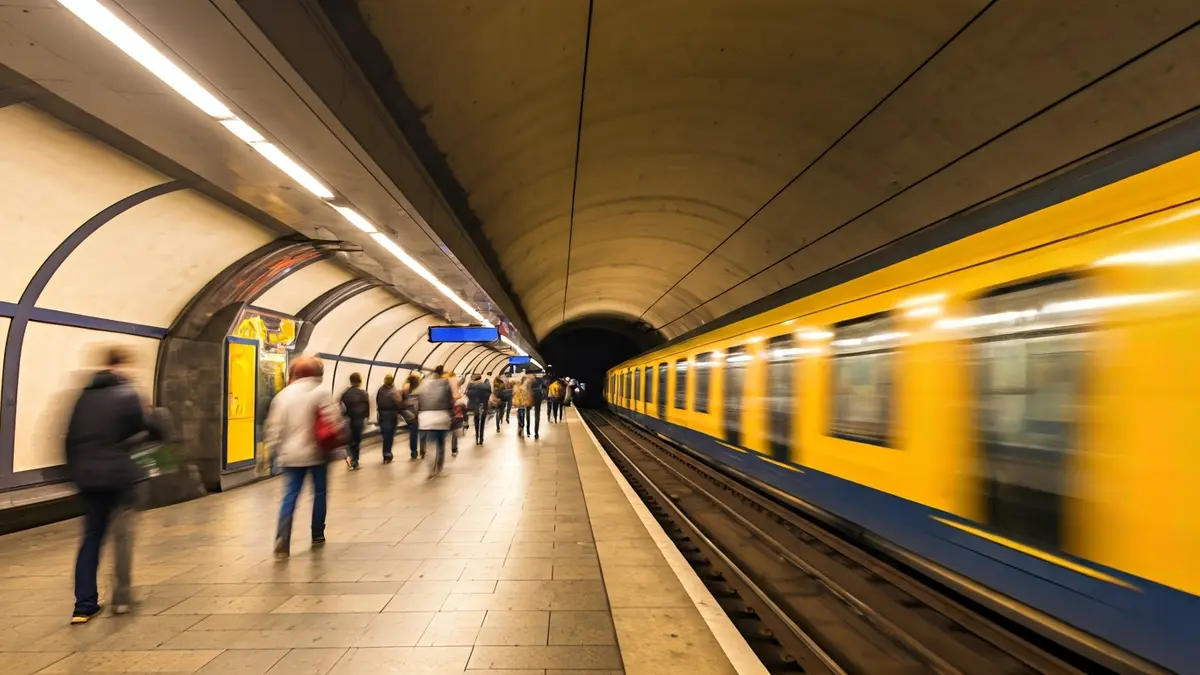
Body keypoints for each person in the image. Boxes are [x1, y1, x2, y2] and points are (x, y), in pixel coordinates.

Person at [65, 347, 163, 623]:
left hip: (88, 479)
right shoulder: (128, 394)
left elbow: (69, 439)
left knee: (91, 539)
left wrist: (77, 472)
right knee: (123, 536)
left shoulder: (82, 397)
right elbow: (145, 431)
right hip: (121, 477)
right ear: (121, 366)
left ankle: (83, 606)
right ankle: (121, 598)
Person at [265, 355, 344, 560]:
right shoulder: (322, 392)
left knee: (290, 495)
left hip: (290, 455)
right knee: (319, 494)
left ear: (296, 373)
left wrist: (272, 453)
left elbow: (274, 428)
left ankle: (282, 538)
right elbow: (334, 421)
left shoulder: (282, 396)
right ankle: (317, 534)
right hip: (318, 453)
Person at [417, 365, 457, 477]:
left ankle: (430, 467)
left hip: (426, 418)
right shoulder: (445, 383)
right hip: (442, 418)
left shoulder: (423, 384)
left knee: (430, 443)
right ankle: (439, 467)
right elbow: (453, 398)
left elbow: (418, 401)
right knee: (441, 443)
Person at [340, 372, 370, 470]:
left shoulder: (345, 394)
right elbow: (367, 409)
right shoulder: (364, 393)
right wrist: (366, 418)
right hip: (359, 421)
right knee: (357, 441)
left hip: (348, 421)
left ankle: (351, 459)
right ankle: (355, 460)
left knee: (349, 442)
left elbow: (341, 409)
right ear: (359, 381)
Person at [376, 374, 400, 464]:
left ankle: (386, 454)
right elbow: (398, 403)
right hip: (392, 416)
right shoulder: (394, 391)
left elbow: (378, 402)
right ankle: (387, 454)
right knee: (390, 436)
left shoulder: (380, 390)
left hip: (382, 415)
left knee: (385, 436)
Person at [401, 372, 421, 459]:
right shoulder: (419, 389)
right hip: (416, 412)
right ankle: (416, 450)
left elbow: (402, 400)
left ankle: (413, 451)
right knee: (415, 432)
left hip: (407, 413)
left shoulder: (405, 388)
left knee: (412, 432)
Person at [467, 374, 492, 445]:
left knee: (476, 421)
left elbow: (468, 394)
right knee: (483, 422)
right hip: (484, 405)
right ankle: (481, 438)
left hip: (476, 406)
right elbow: (489, 394)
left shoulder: (472, 387)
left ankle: (477, 437)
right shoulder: (487, 386)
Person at [513, 374, 535, 438]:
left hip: (523, 404)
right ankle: (526, 430)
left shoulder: (519, 387)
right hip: (525, 404)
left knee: (521, 416)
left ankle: (522, 427)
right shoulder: (525, 387)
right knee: (525, 417)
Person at [529, 373, 546, 439]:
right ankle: (536, 433)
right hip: (538, 397)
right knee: (537, 415)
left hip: (529, 396)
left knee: (526, 412)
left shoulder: (527, 380)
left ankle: (525, 428)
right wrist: (544, 397)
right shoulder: (540, 380)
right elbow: (544, 387)